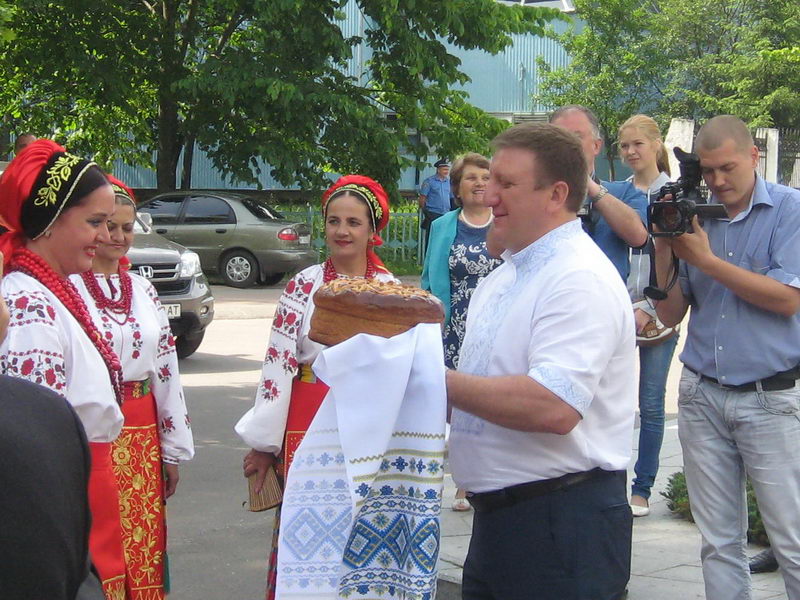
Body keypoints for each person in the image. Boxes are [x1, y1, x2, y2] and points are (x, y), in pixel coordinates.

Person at [447, 122, 636, 600]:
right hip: (505, 524)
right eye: (490, 180)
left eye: (506, 184)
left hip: (561, 526)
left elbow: (554, 406)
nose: (489, 196)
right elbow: (478, 393)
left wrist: (432, 379)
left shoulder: (577, 276)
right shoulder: (506, 276)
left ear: (556, 194)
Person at [653, 115, 800, 600]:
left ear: (754, 156)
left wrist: (707, 261)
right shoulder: (696, 216)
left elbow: (787, 299)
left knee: (792, 541)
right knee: (718, 543)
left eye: (727, 168)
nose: (717, 181)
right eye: (708, 170)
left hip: (769, 396)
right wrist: (664, 244)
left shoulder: (790, 210)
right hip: (702, 392)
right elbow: (669, 314)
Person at [235, 174, 396, 600]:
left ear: (373, 229)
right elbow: (277, 366)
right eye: (334, 220)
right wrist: (264, 444)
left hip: (364, 425)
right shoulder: (302, 285)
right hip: (306, 420)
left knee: (357, 528)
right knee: (303, 530)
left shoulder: (390, 291)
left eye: (354, 222)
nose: (342, 231)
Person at [0, 139, 129, 599]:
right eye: (94, 222)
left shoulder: (58, 290)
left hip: (82, 488)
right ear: (50, 221)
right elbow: (32, 444)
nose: (106, 236)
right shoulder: (28, 303)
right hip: (59, 495)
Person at [72, 176, 195, 599]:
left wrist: (172, 447)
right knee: (96, 535)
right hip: (91, 431)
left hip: (142, 432)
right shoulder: (69, 287)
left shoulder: (143, 290)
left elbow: (166, 368)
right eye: (108, 225)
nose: (118, 236)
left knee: (142, 540)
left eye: (127, 227)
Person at [421, 152, 502, 511]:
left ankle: (490, 473)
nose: (480, 183)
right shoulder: (443, 226)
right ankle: (463, 481)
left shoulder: (505, 221)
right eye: (471, 177)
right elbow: (429, 278)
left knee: (493, 401)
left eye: (486, 177)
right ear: (456, 187)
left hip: (497, 327)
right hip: (455, 328)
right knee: (457, 408)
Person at [618, 114, 680, 517]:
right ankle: (609, 481)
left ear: (656, 145)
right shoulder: (617, 193)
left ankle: (642, 488)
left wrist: (650, 308)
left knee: (652, 403)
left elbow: (681, 266)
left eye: (638, 144)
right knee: (613, 403)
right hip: (618, 313)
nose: (631, 151)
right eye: (624, 145)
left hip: (660, 315)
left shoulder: (672, 195)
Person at [550, 105, 648, 281]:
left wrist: (588, 185)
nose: (567, 146)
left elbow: (638, 237)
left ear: (596, 146)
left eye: (576, 137)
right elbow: (501, 248)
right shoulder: (537, 196)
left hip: (606, 294)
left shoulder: (623, 192)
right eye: (558, 139)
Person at [418, 158, 453, 250]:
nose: (446, 172)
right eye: (444, 169)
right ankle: (429, 257)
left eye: (447, 169)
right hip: (433, 213)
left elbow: (451, 198)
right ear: (438, 170)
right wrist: (426, 212)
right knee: (432, 239)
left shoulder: (449, 182)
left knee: (444, 239)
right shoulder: (429, 182)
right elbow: (422, 198)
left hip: (446, 214)